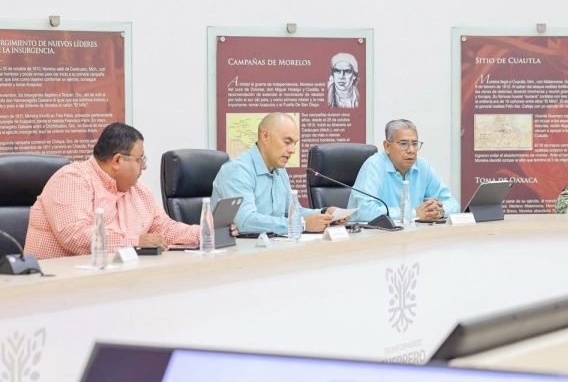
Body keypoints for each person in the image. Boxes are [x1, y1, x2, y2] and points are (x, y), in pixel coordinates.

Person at [25, 122, 200, 259]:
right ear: (117, 160)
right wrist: (135, 242)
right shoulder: (71, 179)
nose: (144, 167)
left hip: (116, 280)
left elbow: (165, 229)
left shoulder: (139, 191)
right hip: (57, 284)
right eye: (140, 160)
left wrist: (206, 232)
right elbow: (76, 236)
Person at [212, 112, 340, 235]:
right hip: (241, 247)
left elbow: (291, 212)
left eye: (294, 144)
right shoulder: (238, 170)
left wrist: (324, 214)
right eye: (287, 142)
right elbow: (245, 222)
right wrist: (300, 224)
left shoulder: (280, 171)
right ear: (265, 136)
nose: (292, 150)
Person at [350, 119, 460, 222]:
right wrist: (414, 213)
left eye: (415, 144)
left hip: (414, 233)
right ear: (387, 146)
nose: (411, 150)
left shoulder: (423, 166)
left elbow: (453, 204)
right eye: (403, 144)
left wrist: (439, 211)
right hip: (374, 234)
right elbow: (364, 211)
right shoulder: (373, 166)